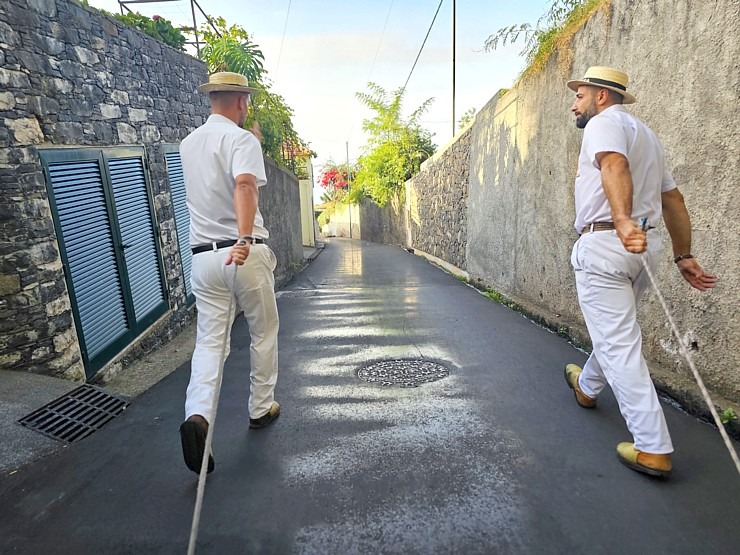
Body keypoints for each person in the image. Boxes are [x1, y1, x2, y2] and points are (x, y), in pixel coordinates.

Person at [563, 66, 717, 477]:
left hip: (608, 242)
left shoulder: (603, 124)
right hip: (643, 251)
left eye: (580, 95)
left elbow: (613, 165)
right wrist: (683, 255)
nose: (573, 103)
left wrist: (622, 219)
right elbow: (673, 200)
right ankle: (587, 385)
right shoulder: (647, 136)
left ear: (601, 96)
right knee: (617, 330)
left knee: (619, 345)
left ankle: (653, 447)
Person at [178, 72, 281, 475]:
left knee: (210, 343)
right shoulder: (241, 141)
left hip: (203, 258)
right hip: (243, 253)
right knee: (263, 330)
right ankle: (260, 408)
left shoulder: (189, 144)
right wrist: (241, 237)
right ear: (241, 101)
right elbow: (244, 185)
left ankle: (198, 416)